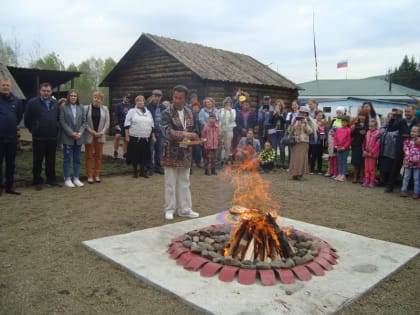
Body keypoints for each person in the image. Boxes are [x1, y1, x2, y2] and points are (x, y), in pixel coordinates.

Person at [160, 85, 199, 221]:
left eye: (180, 98)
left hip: (186, 152)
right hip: (170, 152)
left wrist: (193, 135)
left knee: (185, 181)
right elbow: (167, 131)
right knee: (170, 182)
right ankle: (169, 209)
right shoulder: (166, 112)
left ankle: (185, 209)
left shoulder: (190, 112)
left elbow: (196, 131)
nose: (176, 100)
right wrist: (185, 134)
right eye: (175, 97)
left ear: (185, 99)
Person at [24, 82, 61, 190]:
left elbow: (58, 118)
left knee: (51, 160)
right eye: (44, 91)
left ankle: (51, 179)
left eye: (48, 91)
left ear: (51, 91)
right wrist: (34, 129)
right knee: (38, 160)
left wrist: (56, 127)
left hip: (52, 137)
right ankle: (37, 181)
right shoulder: (32, 103)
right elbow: (27, 119)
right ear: (40, 91)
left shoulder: (55, 103)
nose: (46, 93)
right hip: (38, 137)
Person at [59, 89, 86, 188]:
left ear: (77, 97)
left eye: (75, 96)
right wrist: (71, 133)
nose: (73, 97)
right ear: (68, 97)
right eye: (71, 96)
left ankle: (76, 178)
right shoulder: (63, 107)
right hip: (68, 137)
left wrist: (80, 133)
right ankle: (67, 178)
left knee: (77, 159)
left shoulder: (81, 107)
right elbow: (62, 122)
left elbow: (84, 122)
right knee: (67, 159)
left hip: (79, 137)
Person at [0, 78, 23, 195]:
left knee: (11, 163)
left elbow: (18, 117)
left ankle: (10, 186)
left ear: (10, 87)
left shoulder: (17, 101)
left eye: (7, 85)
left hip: (12, 138)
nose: (5, 87)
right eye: (3, 85)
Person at [379, 108, 409, 193]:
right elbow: (391, 129)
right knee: (394, 167)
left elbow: (403, 133)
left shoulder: (405, 121)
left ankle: (408, 186)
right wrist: (392, 119)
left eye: (408, 111)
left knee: (408, 168)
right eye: (406, 111)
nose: (407, 113)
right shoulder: (399, 121)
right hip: (397, 148)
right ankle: (390, 185)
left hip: (408, 148)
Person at [125, 95, 155, 178]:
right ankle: (135, 172)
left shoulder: (148, 112)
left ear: (144, 102)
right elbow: (127, 124)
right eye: (138, 101)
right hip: (135, 137)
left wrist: (153, 136)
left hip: (145, 138)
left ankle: (142, 171)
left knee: (144, 155)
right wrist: (127, 135)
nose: (140, 102)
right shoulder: (132, 111)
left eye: (141, 101)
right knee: (135, 155)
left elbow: (152, 125)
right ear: (136, 102)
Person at [84, 91, 110, 184]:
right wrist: (92, 131)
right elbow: (84, 122)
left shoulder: (105, 109)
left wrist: (102, 132)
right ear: (92, 98)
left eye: (98, 98)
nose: (96, 99)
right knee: (89, 156)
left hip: (100, 136)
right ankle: (89, 175)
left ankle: (97, 175)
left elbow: (107, 122)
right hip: (90, 135)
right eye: (95, 97)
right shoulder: (86, 108)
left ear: (101, 100)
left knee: (98, 156)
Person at [287, 106, 315, 180]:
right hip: (295, 141)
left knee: (302, 158)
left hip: (304, 141)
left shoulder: (308, 120)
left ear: (306, 114)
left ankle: (300, 174)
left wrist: (305, 124)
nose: (302, 114)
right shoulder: (295, 119)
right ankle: (294, 174)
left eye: (304, 113)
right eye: (301, 112)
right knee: (294, 158)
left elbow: (310, 132)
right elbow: (289, 131)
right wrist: (292, 124)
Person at [146, 89, 166, 175]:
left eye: (158, 96)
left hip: (161, 132)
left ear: (161, 97)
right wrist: (151, 132)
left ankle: (158, 167)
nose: (157, 98)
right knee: (150, 150)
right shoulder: (147, 107)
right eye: (155, 96)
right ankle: (149, 168)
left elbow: (166, 119)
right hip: (151, 132)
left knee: (159, 151)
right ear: (152, 96)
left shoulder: (163, 107)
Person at [400, 125, 420, 199]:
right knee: (406, 177)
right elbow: (406, 150)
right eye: (412, 131)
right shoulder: (407, 141)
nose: (412, 133)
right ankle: (403, 190)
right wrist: (410, 159)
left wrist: (416, 159)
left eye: (414, 131)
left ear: (419, 133)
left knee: (416, 178)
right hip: (408, 162)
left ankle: (416, 192)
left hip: (417, 163)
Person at [324, 106, 345, 178]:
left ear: (343, 113)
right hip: (331, 140)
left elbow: (343, 132)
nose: (338, 114)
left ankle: (336, 172)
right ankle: (330, 171)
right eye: (337, 112)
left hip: (338, 142)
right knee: (331, 156)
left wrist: (336, 134)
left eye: (340, 113)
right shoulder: (333, 120)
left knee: (336, 157)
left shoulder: (343, 122)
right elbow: (330, 130)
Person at [350, 109, 369, 183]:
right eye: (360, 115)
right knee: (355, 162)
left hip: (365, 145)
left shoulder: (368, 125)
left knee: (362, 162)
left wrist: (365, 133)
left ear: (366, 117)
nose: (362, 117)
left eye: (363, 116)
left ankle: (361, 177)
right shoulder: (355, 124)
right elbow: (351, 135)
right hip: (356, 144)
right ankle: (355, 177)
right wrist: (352, 130)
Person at [112, 93, 132, 159]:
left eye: (128, 98)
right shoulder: (118, 105)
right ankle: (115, 151)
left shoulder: (131, 106)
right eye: (126, 97)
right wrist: (116, 124)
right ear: (123, 97)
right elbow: (115, 115)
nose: (127, 99)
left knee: (126, 139)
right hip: (120, 124)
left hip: (127, 125)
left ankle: (124, 153)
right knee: (117, 136)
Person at [362, 120, 381, 188]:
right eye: (369, 126)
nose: (370, 127)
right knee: (366, 168)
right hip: (366, 153)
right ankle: (366, 180)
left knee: (372, 169)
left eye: (372, 126)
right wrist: (364, 151)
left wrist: (371, 152)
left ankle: (372, 181)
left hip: (372, 154)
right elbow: (364, 142)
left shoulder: (378, 134)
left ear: (376, 126)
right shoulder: (367, 132)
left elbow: (377, 144)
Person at [333, 116, 351, 182]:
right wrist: (335, 146)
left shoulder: (348, 130)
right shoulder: (338, 129)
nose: (344, 123)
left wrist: (344, 147)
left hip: (345, 149)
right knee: (339, 161)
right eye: (343, 122)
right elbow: (335, 138)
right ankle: (339, 173)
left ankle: (344, 174)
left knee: (344, 161)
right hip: (338, 148)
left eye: (345, 122)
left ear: (348, 123)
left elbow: (348, 140)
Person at [309, 110, 327, 175]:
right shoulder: (312, 122)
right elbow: (310, 131)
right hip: (313, 142)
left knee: (320, 156)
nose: (320, 117)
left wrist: (324, 138)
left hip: (321, 142)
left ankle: (319, 169)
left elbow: (324, 133)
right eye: (319, 115)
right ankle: (311, 169)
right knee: (313, 156)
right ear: (316, 116)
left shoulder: (323, 123)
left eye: (321, 115)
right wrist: (317, 126)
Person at [219, 96, 236, 163]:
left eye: (229, 104)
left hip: (229, 129)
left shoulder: (233, 111)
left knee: (228, 145)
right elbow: (221, 120)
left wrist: (230, 111)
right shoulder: (221, 110)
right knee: (222, 145)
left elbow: (232, 119)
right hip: (222, 129)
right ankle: (222, 159)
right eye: (226, 104)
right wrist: (225, 112)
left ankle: (227, 158)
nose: (227, 105)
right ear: (224, 104)